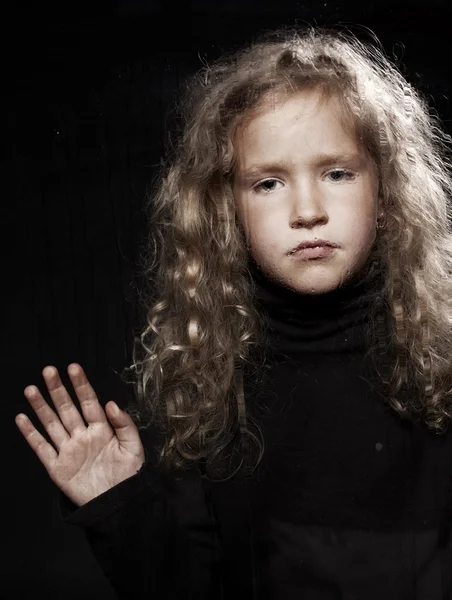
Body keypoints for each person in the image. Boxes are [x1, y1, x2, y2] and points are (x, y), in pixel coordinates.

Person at [15, 25, 452, 599]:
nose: (307, 210)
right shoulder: (210, 391)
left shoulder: (444, 363)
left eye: (337, 173)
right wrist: (118, 509)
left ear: (388, 192)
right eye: (268, 183)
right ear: (227, 213)